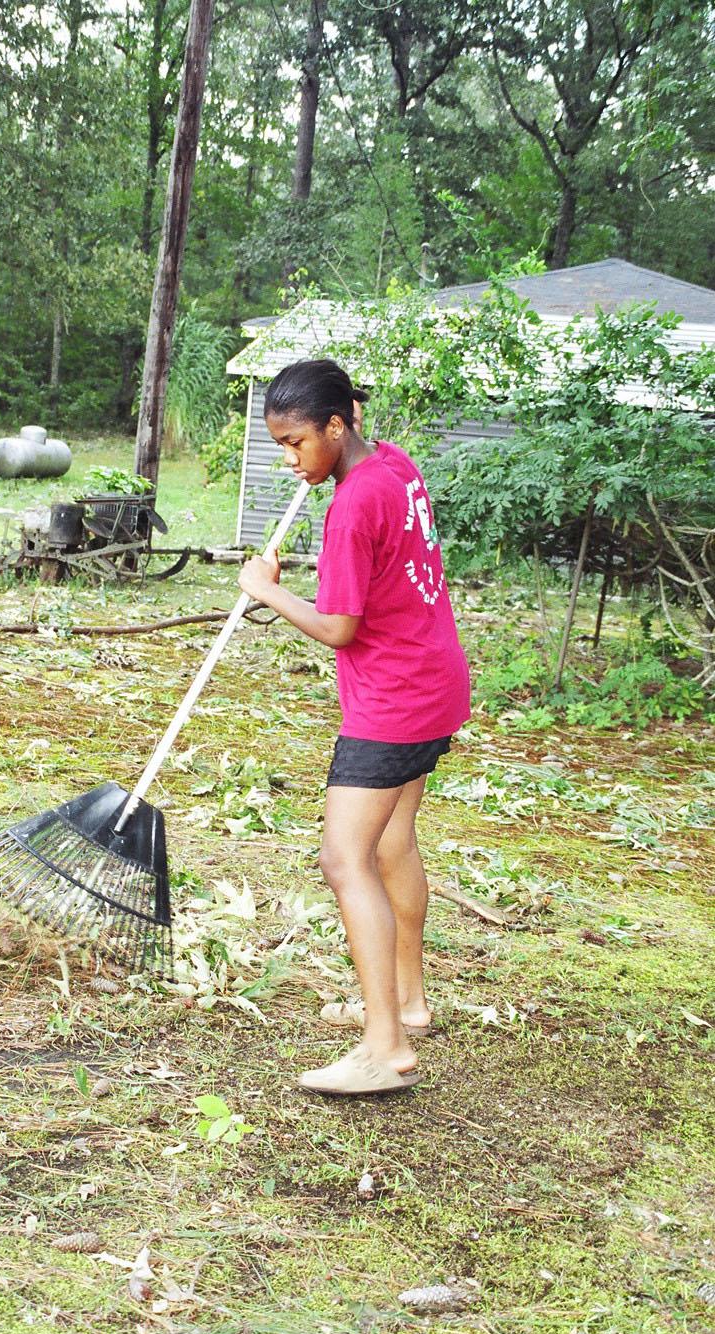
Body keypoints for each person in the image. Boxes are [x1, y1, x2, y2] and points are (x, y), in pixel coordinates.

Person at [238, 358, 470, 1096]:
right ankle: (406, 999)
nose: (289, 458)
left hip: (393, 702)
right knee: (392, 841)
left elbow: (339, 626)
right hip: (434, 682)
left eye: (297, 442)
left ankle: (384, 1047)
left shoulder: (352, 506)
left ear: (338, 426)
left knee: (345, 860)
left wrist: (265, 593)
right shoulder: (393, 466)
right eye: (279, 444)